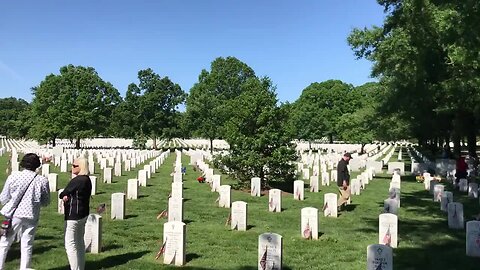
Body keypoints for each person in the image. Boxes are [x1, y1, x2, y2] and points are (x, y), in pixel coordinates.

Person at [0, 153, 50, 270]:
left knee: (5, 242)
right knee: (27, 244)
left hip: (15, 214)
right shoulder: (42, 180)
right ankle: (25, 268)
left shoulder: (14, 176)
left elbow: (3, 198)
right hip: (32, 215)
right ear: (37, 165)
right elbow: (46, 201)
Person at [59, 157, 92, 270]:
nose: (72, 167)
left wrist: (65, 195)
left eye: (74, 166)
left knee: (70, 244)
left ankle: (74, 268)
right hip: (83, 214)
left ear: (81, 167)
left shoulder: (77, 180)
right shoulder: (87, 179)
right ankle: (80, 267)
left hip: (73, 214)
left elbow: (63, 193)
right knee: (79, 243)